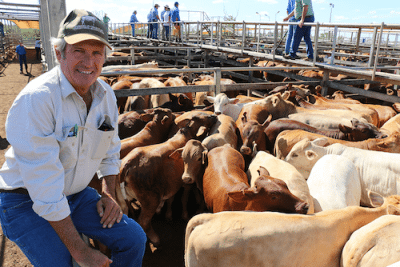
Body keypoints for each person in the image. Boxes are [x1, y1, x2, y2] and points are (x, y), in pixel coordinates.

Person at [0, 9, 147, 267]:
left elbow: (110, 149)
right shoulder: (38, 99)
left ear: (104, 57)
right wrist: (80, 250)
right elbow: (45, 189)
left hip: (75, 195)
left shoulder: (105, 96)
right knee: (65, 262)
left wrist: (109, 193)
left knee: (134, 238)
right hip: (24, 200)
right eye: (79, 50)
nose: (89, 62)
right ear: (59, 53)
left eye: (96, 52)